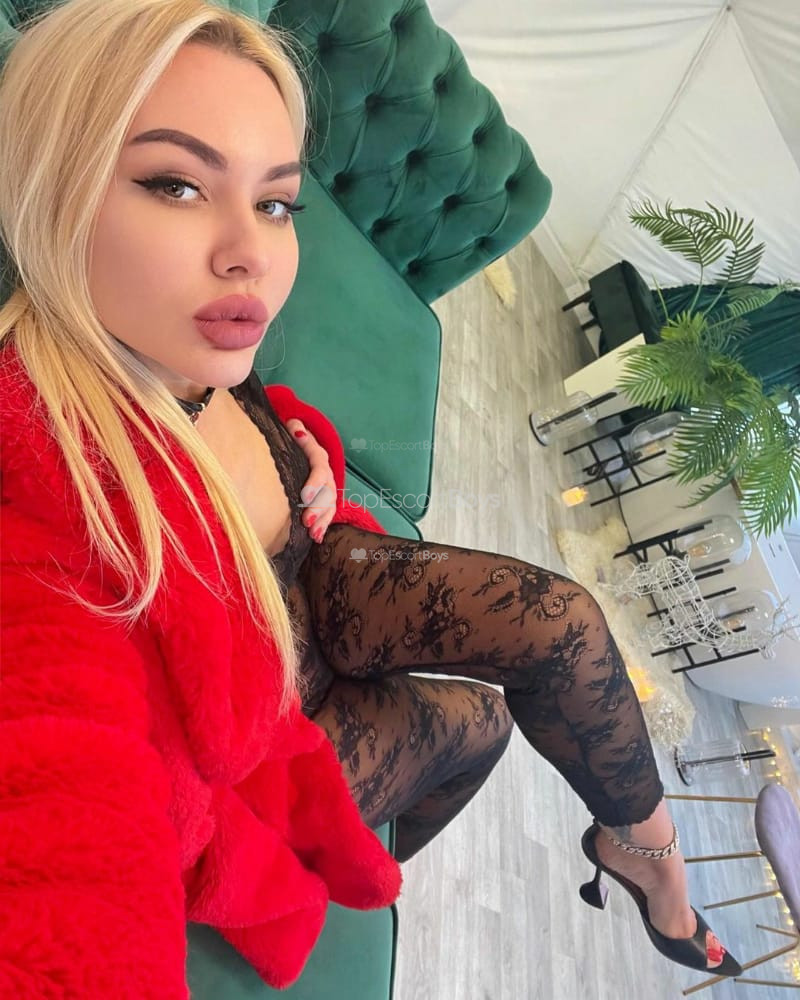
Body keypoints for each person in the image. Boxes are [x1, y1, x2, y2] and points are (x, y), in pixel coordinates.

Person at [0, 0, 741, 996]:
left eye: (275, 202)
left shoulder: (167, 340)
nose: (252, 253)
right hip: (278, 736)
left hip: (313, 574)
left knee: (558, 619)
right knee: (479, 727)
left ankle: (648, 854)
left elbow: (242, 403)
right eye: (176, 184)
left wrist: (309, 449)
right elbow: (59, 844)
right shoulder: (42, 522)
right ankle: (378, 868)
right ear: (53, 188)